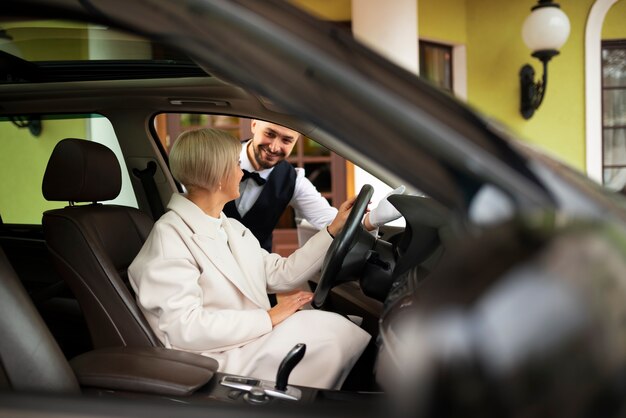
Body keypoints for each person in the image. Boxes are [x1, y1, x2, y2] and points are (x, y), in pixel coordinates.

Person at [128, 128, 371, 390]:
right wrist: (268, 317)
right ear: (218, 176)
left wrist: (334, 229)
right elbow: (184, 329)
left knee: (335, 328)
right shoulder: (170, 236)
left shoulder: (230, 227)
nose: (241, 172)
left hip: (246, 338)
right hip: (213, 357)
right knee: (330, 340)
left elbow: (281, 273)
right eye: (235, 164)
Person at [224, 119, 404, 251]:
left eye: (286, 140)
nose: (274, 147)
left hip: (255, 274)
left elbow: (329, 220)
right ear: (254, 125)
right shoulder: (217, 158)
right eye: (270, 134)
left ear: (295, 141)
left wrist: (372, 219)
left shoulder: (294, 180)